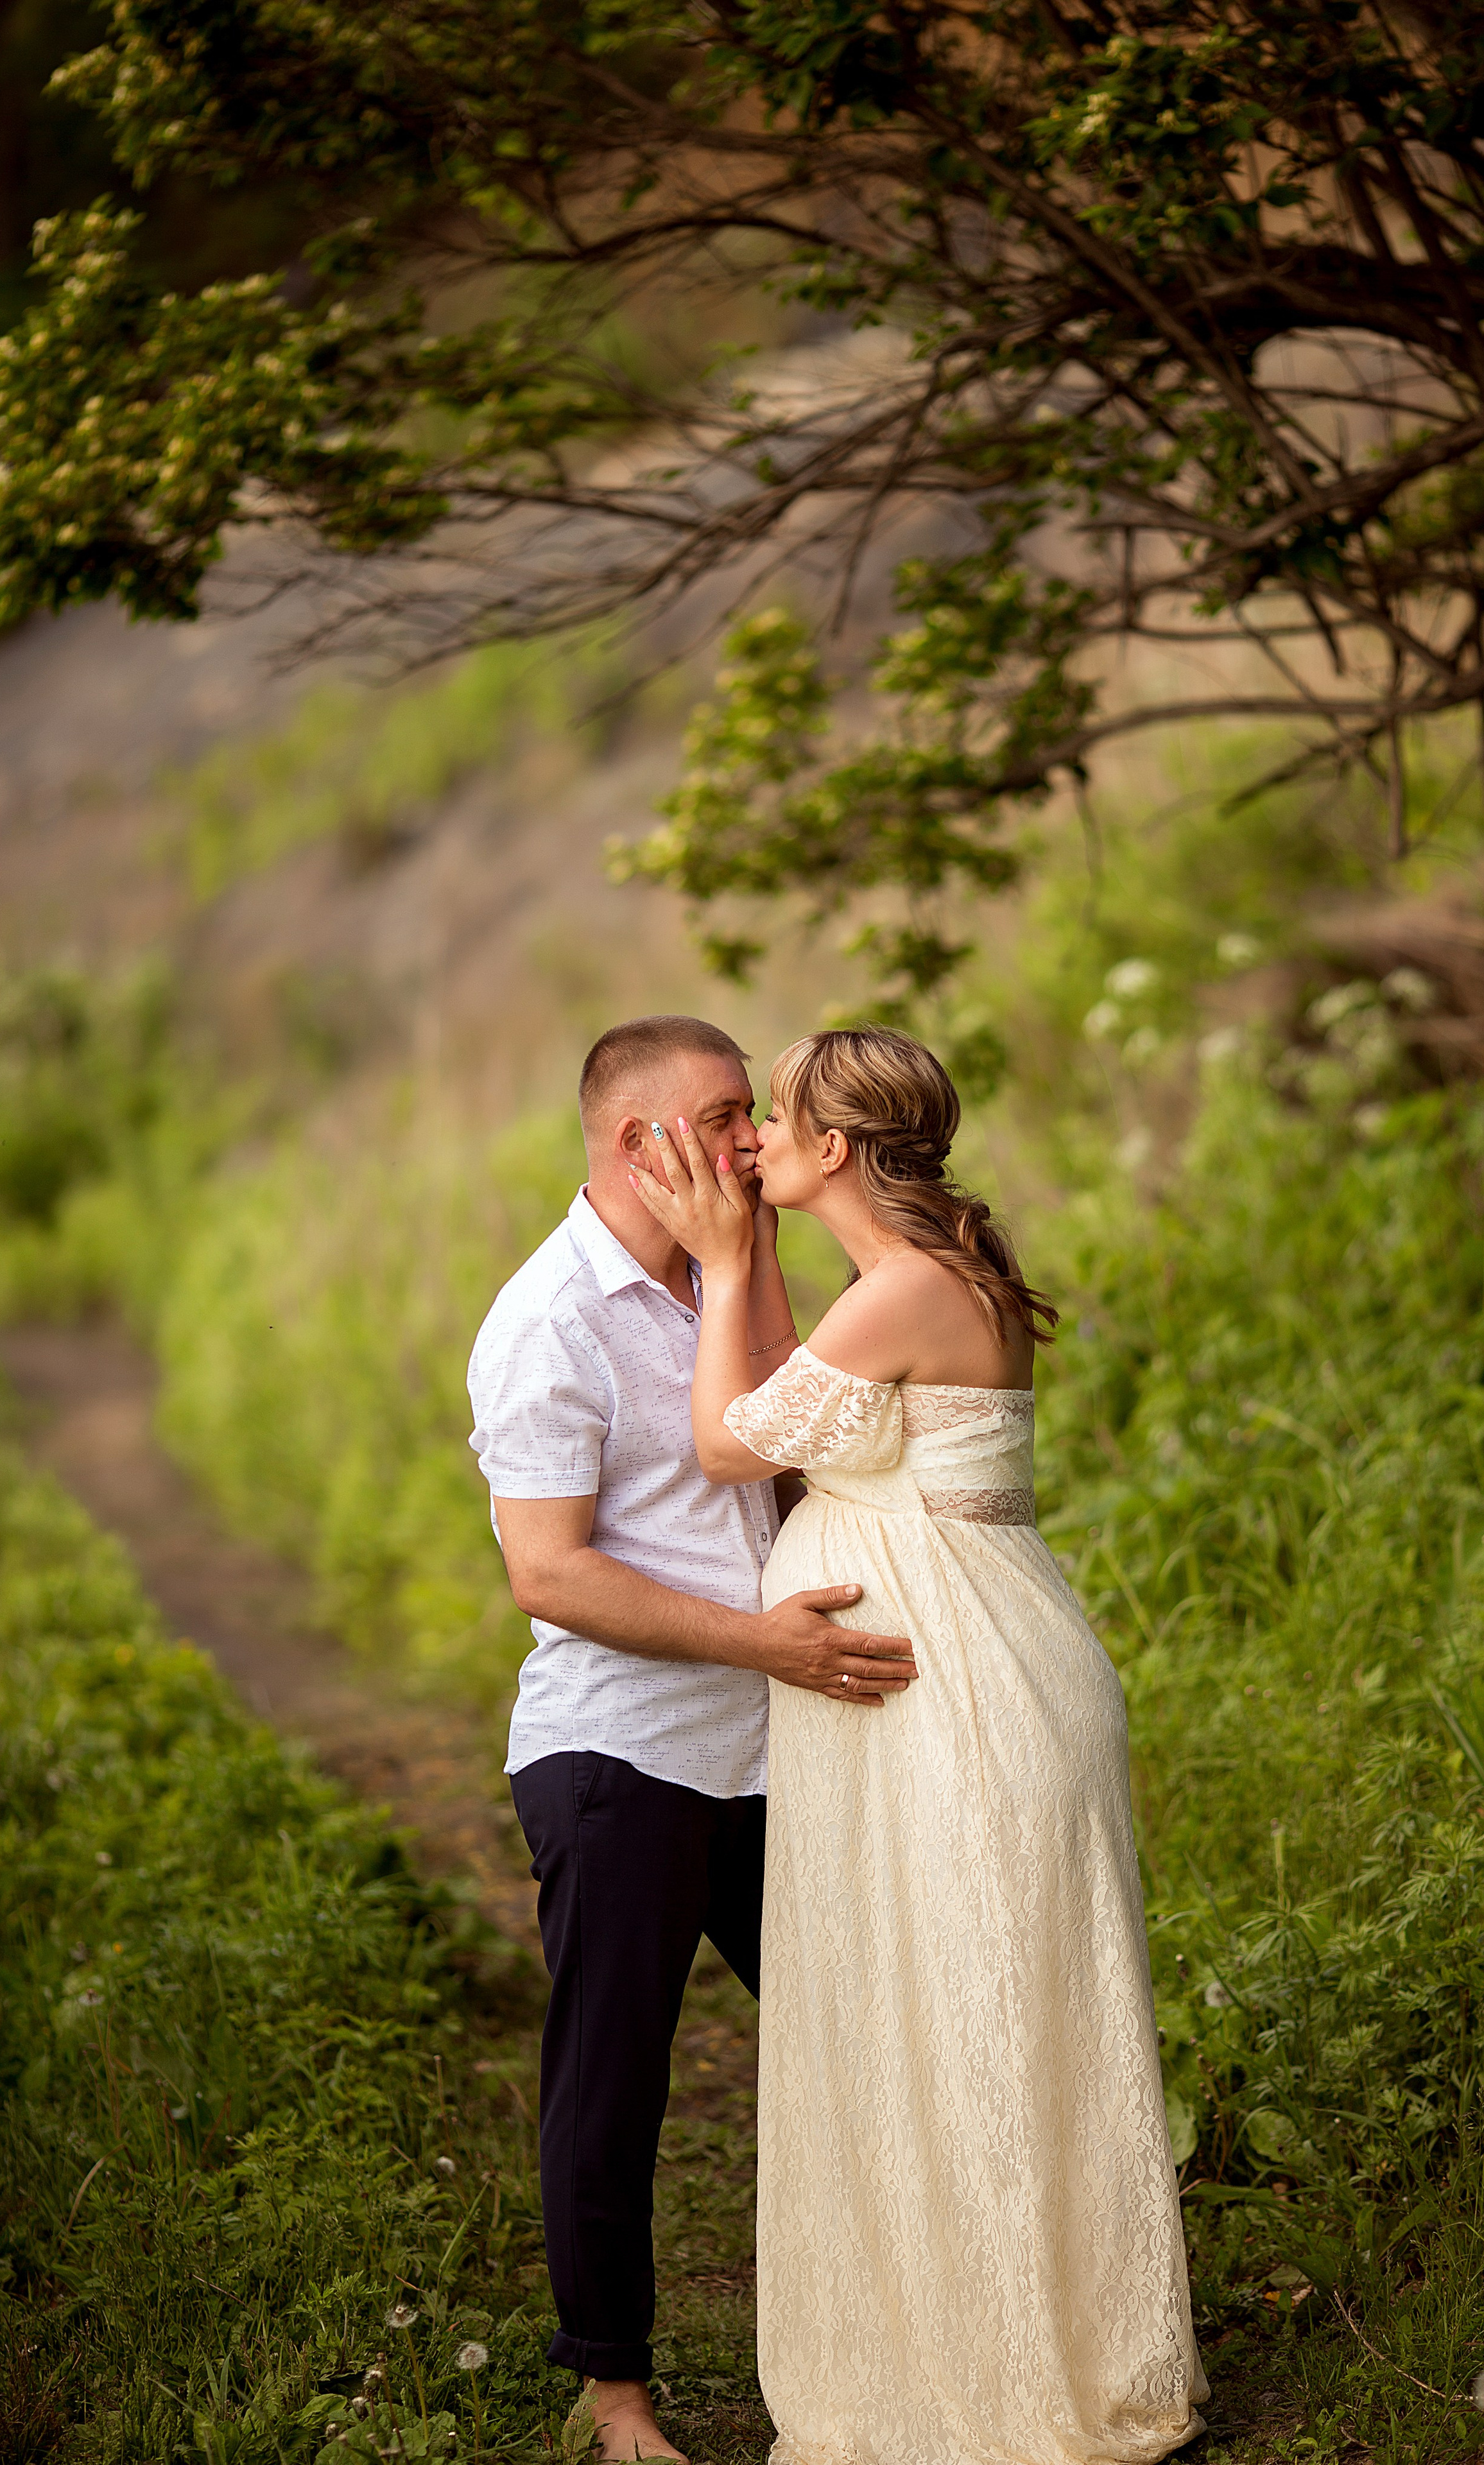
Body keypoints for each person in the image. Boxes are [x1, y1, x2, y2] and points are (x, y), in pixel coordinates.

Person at [630, 1025, 1208, 2465]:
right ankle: (964, 2333)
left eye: (772, 1117)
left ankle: (1012, 2368)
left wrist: (712, 1258)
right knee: (934, 2012)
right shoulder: (894, 1283)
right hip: (929, 1694)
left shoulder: (900, 1291)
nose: (751, 1137)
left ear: (833, 1151)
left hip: (960, 1700)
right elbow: (786, 1393)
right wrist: (748, 1257)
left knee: (979, 2013)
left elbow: (725, 1441)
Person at [466, 1015, 917, 2465]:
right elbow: (548, 1574)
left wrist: (751, 1260)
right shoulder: (546, 1320)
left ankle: (906, 2333)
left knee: (868, 2034)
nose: (749, 1138)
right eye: (723, 1115)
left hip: (784, 1743)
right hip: (624, 1753)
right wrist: (763, 1642)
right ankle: (616, 2400)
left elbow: (791, 1451)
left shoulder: (722, 1277)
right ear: (635, 1143)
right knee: (616, 2076)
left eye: (748, 1115)